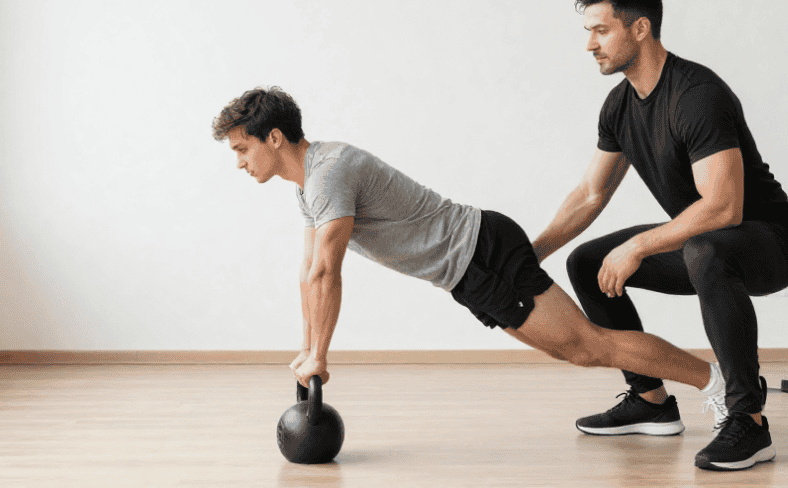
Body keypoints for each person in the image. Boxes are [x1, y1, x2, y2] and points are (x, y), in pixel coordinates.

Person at [212, 86, 730, 453]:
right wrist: (308, 352)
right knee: (577, 348)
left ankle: (720, 386)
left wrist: (319, 355)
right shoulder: (309, 186)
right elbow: (309, 272)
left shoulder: (329, 173)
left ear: (274, 137)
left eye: (242, 149)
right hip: (468, 270)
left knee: (589, 345)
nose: (238, 162)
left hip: (481, 253)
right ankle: (654, 405)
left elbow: (328, 271)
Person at [532, 0, 788, 471]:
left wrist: (639, 246)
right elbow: (591, 194)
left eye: (601, 30)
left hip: (773, 241)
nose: (590, 45)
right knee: (587, 261)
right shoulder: (618, 106)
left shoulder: (697, 94)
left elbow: (725, 206)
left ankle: (749, 421)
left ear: (640, 29)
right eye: (588, 32)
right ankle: (650, 401)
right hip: (708, 240)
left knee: (706, 249)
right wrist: (532, 253)